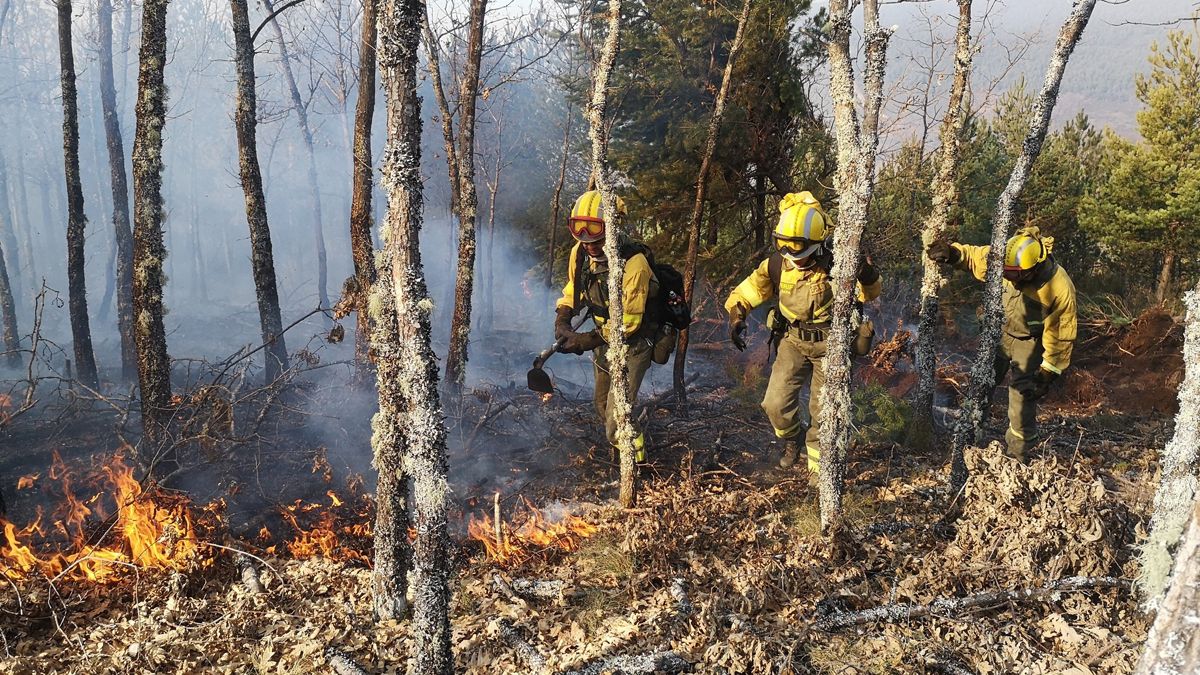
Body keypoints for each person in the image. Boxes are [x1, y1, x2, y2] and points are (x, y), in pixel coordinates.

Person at [724, 191, 881, 474]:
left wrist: (865, 273)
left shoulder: (836, 265)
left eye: (797, 247)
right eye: (783, 245)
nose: (790, 254)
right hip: (793, 341)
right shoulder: (776, 265)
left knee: (823, 413)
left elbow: (869, 293)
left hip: (831, 345)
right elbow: (748, 291)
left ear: (815, 244)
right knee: (775, 404)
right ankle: (792, 439)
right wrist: (737, 316)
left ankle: (818, 477)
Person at [926, 226, 1077, 460]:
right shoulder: (1006, 259)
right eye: (1006, 273)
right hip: (996, 333)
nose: (1008, 278)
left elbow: (1061, 334)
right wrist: (953, 253)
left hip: (1028, 342)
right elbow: (976, 257)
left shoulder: (1059, 287)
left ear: (1033, 269)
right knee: (981, 383)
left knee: (1022, 397)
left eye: (1014, 275)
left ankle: (1018, 453)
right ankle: (968, 435)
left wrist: (1048, 372)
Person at [554, 190, 660, 461]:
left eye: (596, 234)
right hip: (602, 341)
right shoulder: (580, 253)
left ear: (613, 227)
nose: (588, 242)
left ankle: (638, 465)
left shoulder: (635, 264)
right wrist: (563, 317)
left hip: (633, 345)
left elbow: (629, 323)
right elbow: (574, 288)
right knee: (602, 405)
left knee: (617, 418)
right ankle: (620, 454)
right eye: (580, 231)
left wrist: (584, 340)